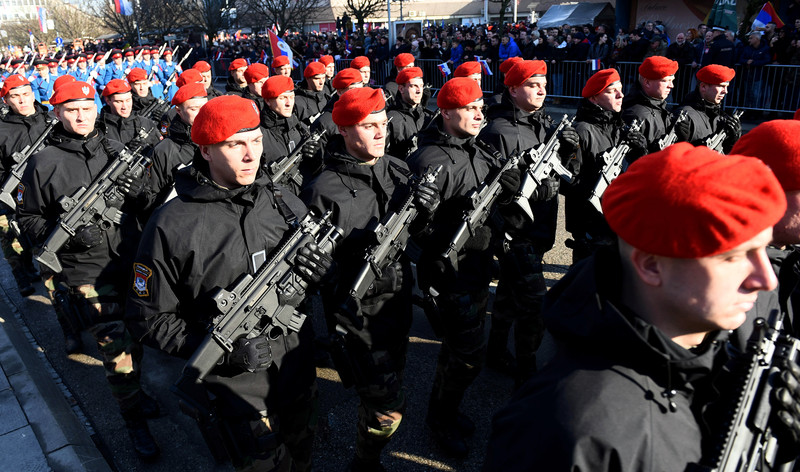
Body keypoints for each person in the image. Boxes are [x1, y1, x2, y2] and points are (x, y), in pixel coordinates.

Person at [486, 142, 800, 471]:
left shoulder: (704, 364)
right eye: (734, 257)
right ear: (651, 265)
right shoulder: (572, 432)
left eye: (764, 251)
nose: (766, 280)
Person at [126, 95, 331, 471]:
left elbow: (308, 280)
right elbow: (149, 319)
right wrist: (220, 350)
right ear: (205, 150)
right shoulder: (171, 224)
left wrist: (318, 273)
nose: (252, 154)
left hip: (296, 372)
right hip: (236, 393)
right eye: (236, 144)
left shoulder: (282, 200)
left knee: (303, 459)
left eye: (255, 140)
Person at [16, 81, 160, 461]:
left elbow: (146, 199)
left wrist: (135, 190)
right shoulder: (43, 162)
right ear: (58, 113)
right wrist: (68, 237)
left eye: (87, 107)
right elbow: (27, 217)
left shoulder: (113, 147)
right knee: (118, 353)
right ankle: (134, 424)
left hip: (131, 261)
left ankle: (137, 394)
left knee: (139, 339)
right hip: (86, 274)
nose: (81, 115)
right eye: (71, 109)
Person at [300, 87, 439, 471]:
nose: (381, 133)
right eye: (369, 126)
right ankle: (364, 462)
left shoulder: (396, 168)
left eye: (383, 124)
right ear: (343, 130)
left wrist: (426, 213)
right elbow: (310, 274)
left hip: (396, 308)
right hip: (358, 320)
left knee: (390, 382)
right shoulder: (320, 191)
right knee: (388, 409)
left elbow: (421, 240)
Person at [407, 77, 512, 458]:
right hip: (450, 276)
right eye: (470, 108)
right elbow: (413, 232)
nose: (480, 112)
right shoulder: (429, 161)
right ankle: (439, 418)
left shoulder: (476, 148)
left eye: (480, 105)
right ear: (447, 113)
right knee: (465, 354)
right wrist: (427, 213)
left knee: (461, 352)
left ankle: (446, 410)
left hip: (477, 266)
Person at [479, 60, 580, 386]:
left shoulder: (547, 125)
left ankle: (495, 351)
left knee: (509, 295)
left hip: (540, 229)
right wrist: (534, 189)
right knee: (536, 304)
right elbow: (491, 191)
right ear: (512, 89)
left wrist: (571, 149)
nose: (542, 90)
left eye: (543, 84)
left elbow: (570, 178)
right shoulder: (498, 132)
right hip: (513, 231)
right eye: (533, 85)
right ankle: (527, 369)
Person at [564, 68, 646, 263]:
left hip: (618, 218)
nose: (621, 95)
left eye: (620, 89)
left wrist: (640, 153)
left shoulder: (620, 128)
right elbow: (568, 182)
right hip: (590, 223)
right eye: (612, 91)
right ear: (594, 98)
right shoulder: (582, 130)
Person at [0, 75, 51, 296]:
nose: (22, 101)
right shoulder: (2, 129)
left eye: (26, 94)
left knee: (45, 244)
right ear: (6, 101)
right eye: (15, 96)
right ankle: (21, 275)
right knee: (11, 238)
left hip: (49, 194)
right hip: (12, 194)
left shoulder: (52, 119)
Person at [146, 82, 207, 210]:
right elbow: (153, 198)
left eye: (204, 107)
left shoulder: (220, 140)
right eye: (194, 109)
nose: (202, 114)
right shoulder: (163, 151)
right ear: (179, 111)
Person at [673, 64, 741, 153]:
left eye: (726, 87)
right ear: (703, 87)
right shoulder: (685, 115)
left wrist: (734, 139)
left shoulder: (722, 116)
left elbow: (729, 154)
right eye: (721, 86)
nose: (725, 91)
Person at [621, 56, 678, 152]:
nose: (671, 85)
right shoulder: (636, 114)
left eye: (672, 81)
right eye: (665, 81)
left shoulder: (658, 105)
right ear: (647, 83)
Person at [98, 78, 161, 150]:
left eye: (128, 100)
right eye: (119, 102)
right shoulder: (99, 129)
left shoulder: (145, 123)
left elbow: (161, 154)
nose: (124, 106)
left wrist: (147, 149)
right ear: (108, 101)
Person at [386, 67, 427, 158]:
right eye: (414, 86)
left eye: (421, 86)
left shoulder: (425, 116)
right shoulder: (392, 119)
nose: (419, 91)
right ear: (401, 89)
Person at [312, 68, 364, 139]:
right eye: (353, 90)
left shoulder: (368, 113)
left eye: (360, 90)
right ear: (339, 92)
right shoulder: (325, 122)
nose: (358, 95)